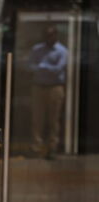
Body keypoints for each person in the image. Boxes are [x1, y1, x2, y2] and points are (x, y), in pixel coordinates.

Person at [28, 25, 68, 157]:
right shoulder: (37, 49)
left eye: (51, 35)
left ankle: (52, 148)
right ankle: (37, 147)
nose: (48, 38)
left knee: (54, 120)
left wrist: (42, 66)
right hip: (38, 86)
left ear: (56, 35)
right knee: (37, 118)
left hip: (55, 87)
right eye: (46, 35)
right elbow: (30, 66)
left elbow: (58, 69)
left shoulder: (62, 51)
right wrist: (45, 68)